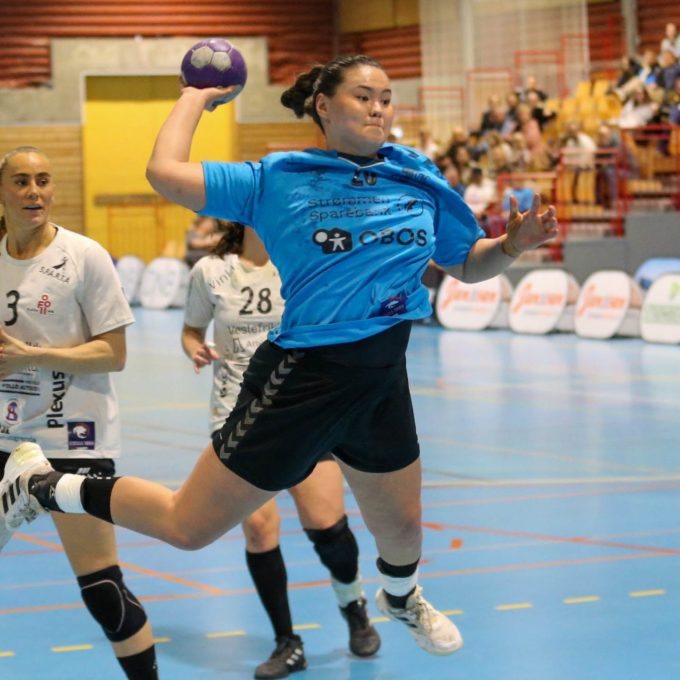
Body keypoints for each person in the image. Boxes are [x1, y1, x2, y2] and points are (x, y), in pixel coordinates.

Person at [0, 55, 558, 661]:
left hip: (382, 377)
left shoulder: (418, 175)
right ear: (323, 106)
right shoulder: (280, 178)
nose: (378, 108)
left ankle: (400, 598)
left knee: (402, 531)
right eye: (363, 96)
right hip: (303, 381)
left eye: (386, 98)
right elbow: (165, 173)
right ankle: (42, 483)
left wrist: (511, 246)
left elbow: (467, 264)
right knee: (186, 526)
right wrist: (196, 97)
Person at [181, 220, 380, 677]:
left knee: (327, 526)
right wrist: (195, 348)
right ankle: (287, 642)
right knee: (258, 528)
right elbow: (191, 330)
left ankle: (353, 604)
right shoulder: (211, 271)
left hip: (303, 412)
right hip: (237, 417)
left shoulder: (304, 262)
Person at [0, 146, 159, 679]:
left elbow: (114, 353)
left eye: (43, 180)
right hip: (6, 436)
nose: (34, 191)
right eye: (21, 181)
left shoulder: (84, 256)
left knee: (102, 588)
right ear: (2, 192)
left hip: (74, 438)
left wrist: (32, 356)